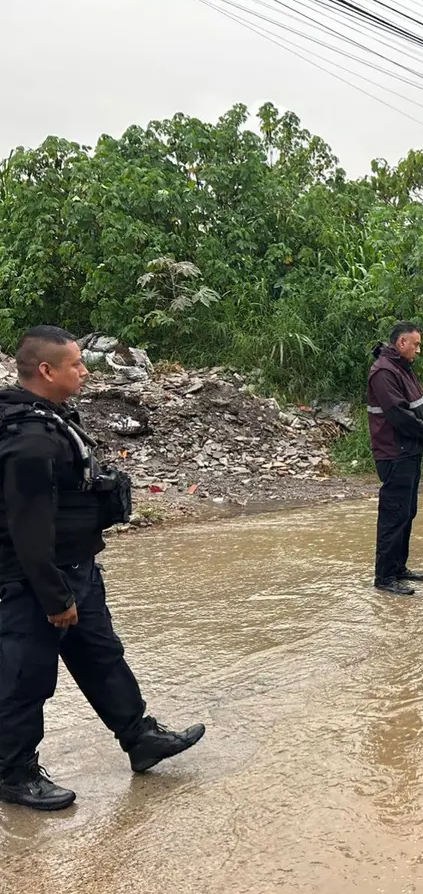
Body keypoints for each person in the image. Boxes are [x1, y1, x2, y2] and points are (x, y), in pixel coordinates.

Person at [0, 326, 205, 811]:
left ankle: (140, 738)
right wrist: (55, 598)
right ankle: (13, 773)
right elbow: (27, 530)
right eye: (76, 364)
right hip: (33, 581)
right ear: (47, 371)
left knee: (101, 655)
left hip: (76, 568)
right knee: (26, 677)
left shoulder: (51, 419)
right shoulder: (28, 440)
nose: (86, 370)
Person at [368, 321, 423, 596]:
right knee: (394, 515)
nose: (418, 350)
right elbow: (398, 414)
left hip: (409, 451)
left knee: (407, 511)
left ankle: (398, 567)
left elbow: (419, 404)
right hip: (393, 453)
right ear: (401, 343)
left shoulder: (403, 369)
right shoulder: (383, 372)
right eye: (416, 344)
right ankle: (384, 576)